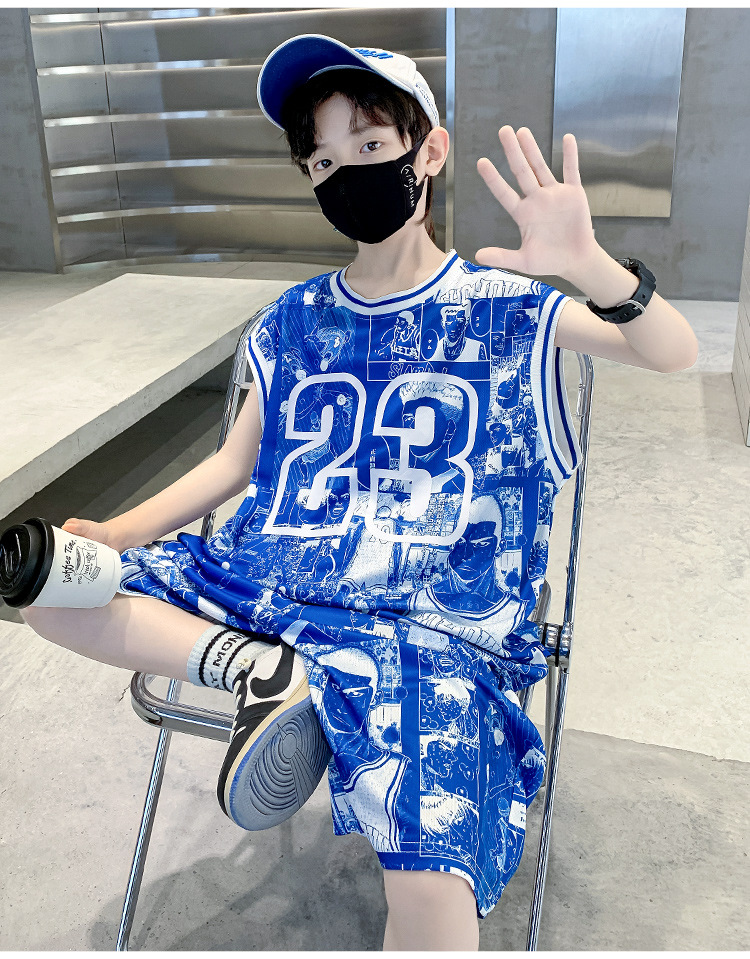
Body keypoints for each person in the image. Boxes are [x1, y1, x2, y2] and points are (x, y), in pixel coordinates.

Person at [20, 33, 699, 951]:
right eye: (324, 161)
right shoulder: (293, 319)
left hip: (432, 619)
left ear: (430, 151)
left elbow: (672, 353)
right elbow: (233, 466)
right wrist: (113, 532)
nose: (346, 173)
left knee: (427, 880)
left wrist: (589, 266)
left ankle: (289, 684)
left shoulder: (505, 307)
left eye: (371, 146)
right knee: (53, 592)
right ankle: (265, 675)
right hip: (270, 579)